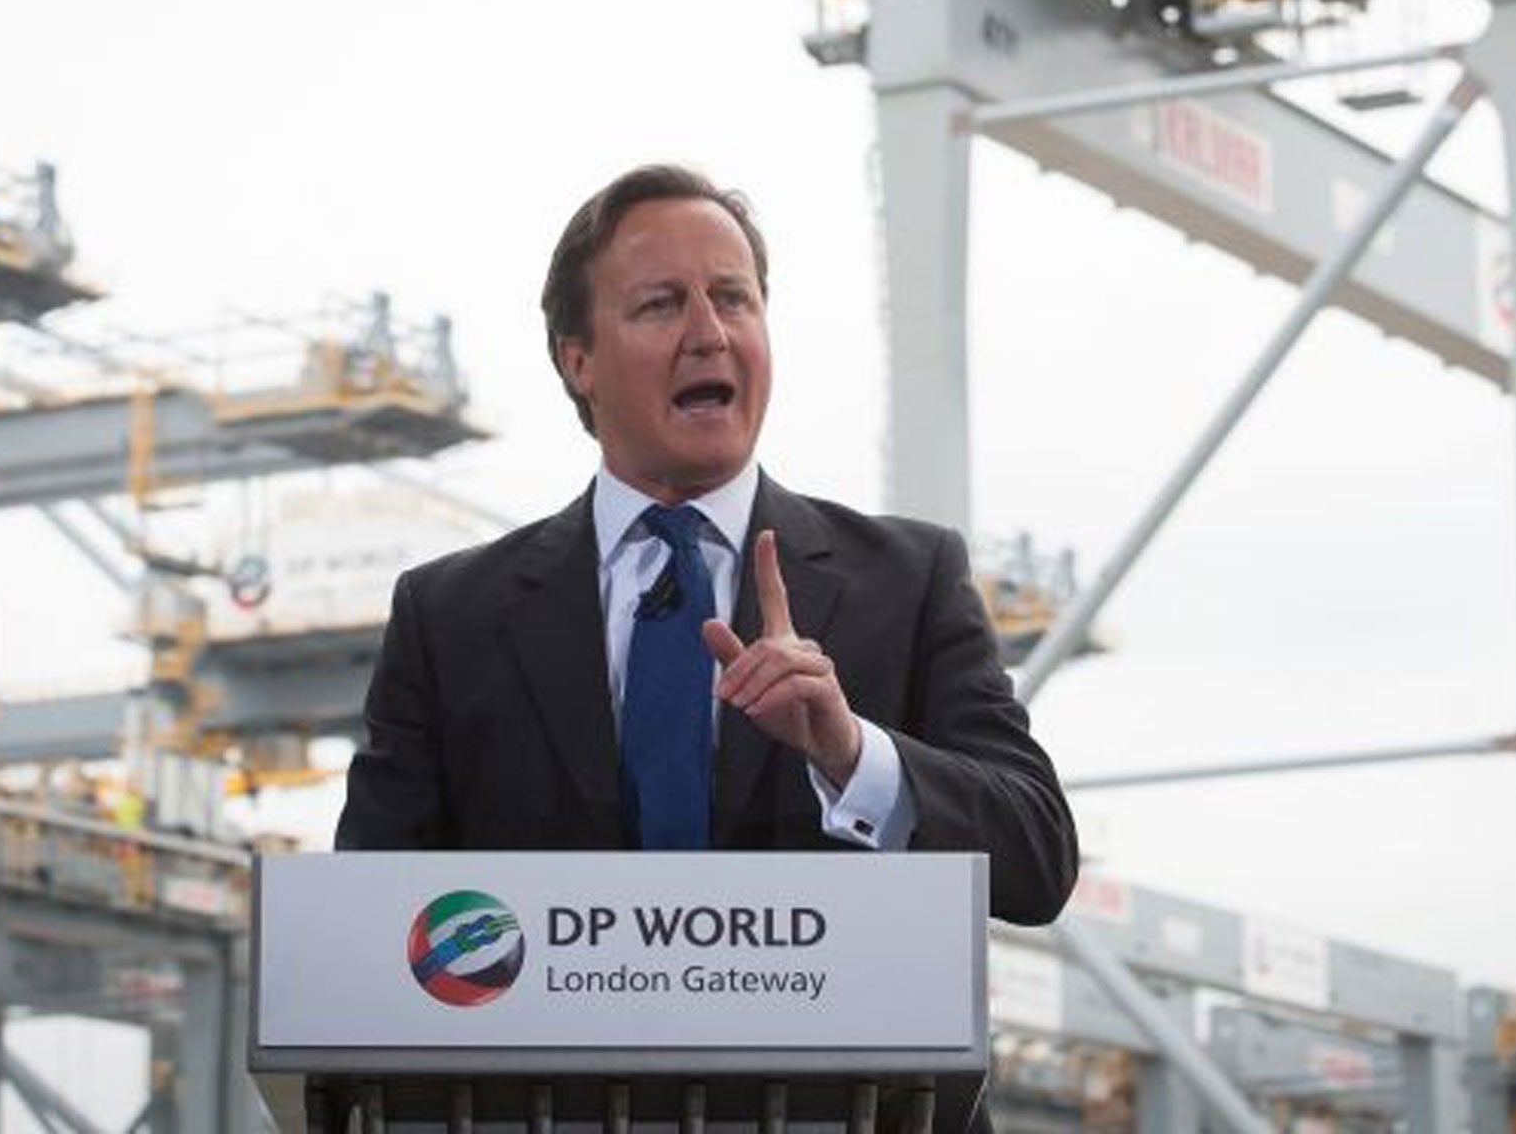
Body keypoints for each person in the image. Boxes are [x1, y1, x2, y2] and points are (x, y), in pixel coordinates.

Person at [336, 165, 1077, 928]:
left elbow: (1038, 860)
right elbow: (365, 934)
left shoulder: (911, 582)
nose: (709, 334)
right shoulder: (449, 618)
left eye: (733, 299)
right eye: (661, 305)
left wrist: (850, 752)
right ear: (578, 360)